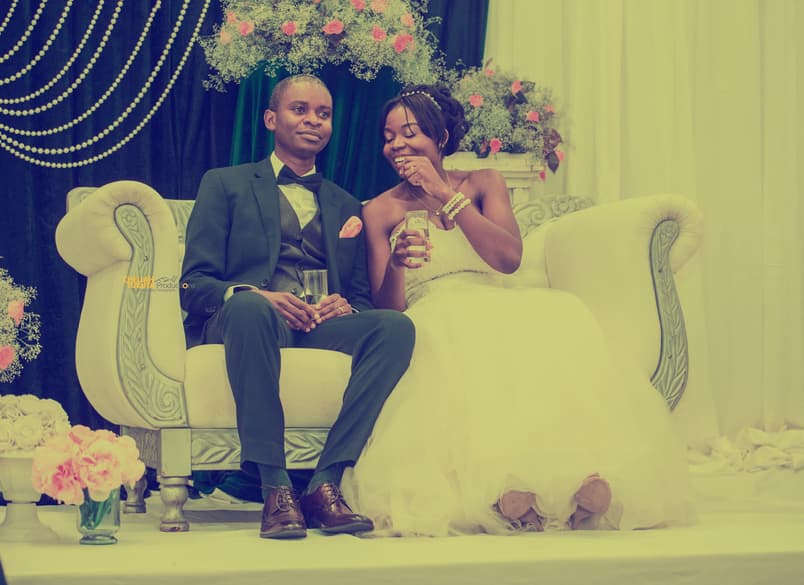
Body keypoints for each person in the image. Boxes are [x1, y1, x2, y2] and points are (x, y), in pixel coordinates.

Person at [340, 85, 694, 535]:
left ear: (441, 137)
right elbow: (387, 308)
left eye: (409, 133)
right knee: (457, 332)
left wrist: (443, 194)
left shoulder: (482, 183)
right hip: (433, 309)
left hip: (494, 296)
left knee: (559, 317)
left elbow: (508, 260)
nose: (397, 146)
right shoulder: (380, 210)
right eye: (388, 137)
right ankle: (503, 487)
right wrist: (395, 263)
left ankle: (577, 477)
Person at [180, 74, 416, 540]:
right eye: (300, 109)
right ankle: (275, 486)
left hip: (313, 325)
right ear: (271, 119)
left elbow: (362, 298)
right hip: (245, 322)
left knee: (394, 329)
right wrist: (253, 295)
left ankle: (326, 482)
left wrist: (341, 305)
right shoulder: (224, 184)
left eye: (323, 114)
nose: (313, 120)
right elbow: (193, 284)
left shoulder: (348, 205)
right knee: (250, 310)